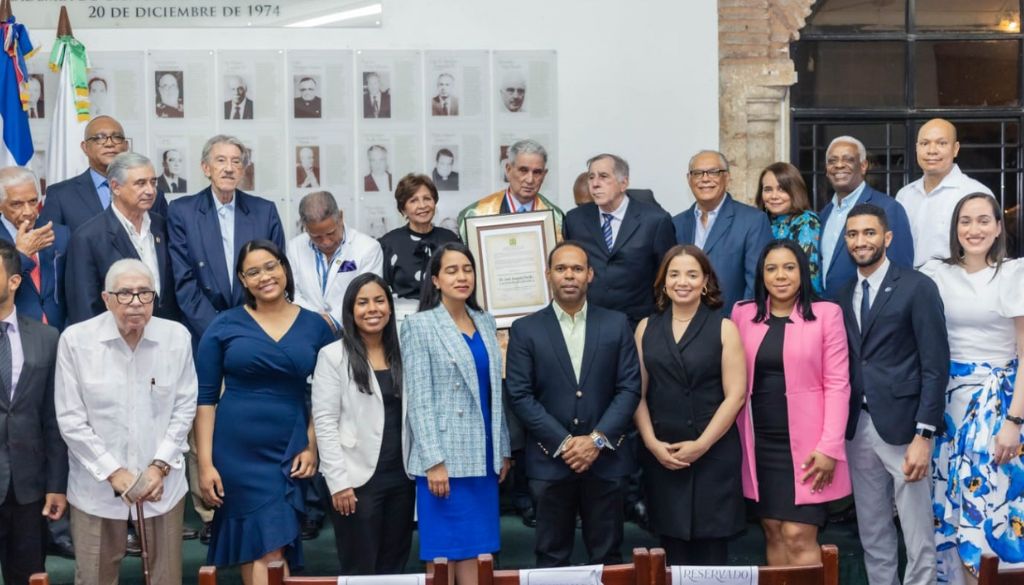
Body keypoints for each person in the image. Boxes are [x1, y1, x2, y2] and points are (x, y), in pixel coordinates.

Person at [195, 240, 334, 582]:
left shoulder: (317, 326)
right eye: (253, 272)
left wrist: (312, 444)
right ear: (243, 280)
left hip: (289, 448)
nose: (264, 277)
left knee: (271, 545)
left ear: (284, 268)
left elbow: (332, 394)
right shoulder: (224, 325)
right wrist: (206, 464)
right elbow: (205, 399)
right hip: (235, 453)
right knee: (257, 545)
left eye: (271, 266)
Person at [55, 259, 197, 585]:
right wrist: (114, 473)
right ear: (106, 299)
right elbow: (71, 419)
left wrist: (158, 466)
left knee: (165, 579)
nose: (136, 303)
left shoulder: (176, 337)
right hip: (96, 489)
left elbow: (184, 407)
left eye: (144, 294)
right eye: (125, 294)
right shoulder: (76, 341)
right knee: (94, 578)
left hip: (162, 486)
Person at [505, 242, 640, 567]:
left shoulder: (616, 323)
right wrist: (564, 443)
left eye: (577, 269)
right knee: (551, 557)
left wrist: (595, 441)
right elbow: (520, 394)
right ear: (548, 274)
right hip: (550, 462)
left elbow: (630, 388)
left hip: (606, 460)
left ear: (590, 275)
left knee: (609, 558)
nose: (569, 275)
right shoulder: (525, 329)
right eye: (562, 268)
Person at [838, 203, 949, 585]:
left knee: (918, 537)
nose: (860, 241)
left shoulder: (917, 286)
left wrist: (924, 434)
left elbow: (935, 366)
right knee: (873, 533)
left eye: (869, 233)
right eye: (852, 234)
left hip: (904, 429)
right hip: (858, 427)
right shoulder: (842, 294)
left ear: (887, 238)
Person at [921, 193, 1024, 581]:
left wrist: (1013, 421)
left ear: (999, 227)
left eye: (984, 220)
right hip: (946, 409)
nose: (974, 229)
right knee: (948, 505)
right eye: (965, 221)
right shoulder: (935, 273)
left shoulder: (1014, 274)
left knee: (991, 505)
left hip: (998, 408)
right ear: (955, 229)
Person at [732, 240, 851, 566]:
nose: (780, 276)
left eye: (789, 267)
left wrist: (829, 447)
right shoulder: (742, 314)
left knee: (799, 535)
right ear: (761, 275)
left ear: (803, 272)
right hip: (759, 446)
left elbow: (839, 385)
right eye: (771, 268)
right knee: (772, 530)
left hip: (809, 447)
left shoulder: (827, 314)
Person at [401, 241, 511, 585]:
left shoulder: (485, 320)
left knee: (479, 556)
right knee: (443, 557)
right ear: (435, 280)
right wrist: (433, 461)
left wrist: (504, 448)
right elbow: (419, 399)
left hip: (484, 459)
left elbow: (495, 392)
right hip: (443, 463)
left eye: (467, 269)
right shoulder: (419, 325)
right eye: (451, 270)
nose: (462, 277)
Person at [633, 245, 746, 565]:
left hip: (714, 453)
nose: (683, 281)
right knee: (671, 554)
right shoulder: (645, 328)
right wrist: (652, 443)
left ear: (706, 282)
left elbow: (735, 395)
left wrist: (701, 445)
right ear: (663, 282)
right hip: (664, 455)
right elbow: (636, 394)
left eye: (692, 274)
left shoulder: (724, 328)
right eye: (675, 274)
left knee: (712, 557)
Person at [312, 273, 414, 575]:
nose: (373, 309)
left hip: (402, 477)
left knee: (395, 564)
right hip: (357, 481)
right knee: (361, 568)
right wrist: (338, 483)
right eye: (363, 302)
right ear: (350, 311)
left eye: (380, 301)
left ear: (391, 307)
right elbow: (325, 422)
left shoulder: (405, 352)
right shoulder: (332, 356)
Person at [0, 238, 65, 585]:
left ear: (14, 281)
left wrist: (56, 484)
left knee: (27, 578)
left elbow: (53, 420)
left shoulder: (47, 338)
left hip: (27, 486)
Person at [64, 152, 179, 325]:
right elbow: (84, 307)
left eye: (153, 182)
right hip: (114, 340)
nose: (150, 190)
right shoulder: (88, 237)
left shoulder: (162, 226)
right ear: (116, 187)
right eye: (140, 183)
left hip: (163, 338)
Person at [563, 154, 674, 327]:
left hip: (640, 325)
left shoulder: (655, 220)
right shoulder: (575, 220)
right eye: (591, 177)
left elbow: (667, 276)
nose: (595, 183)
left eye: (604, 176)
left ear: (624, 183)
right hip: (589, 324)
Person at [672, 150, 772, 316]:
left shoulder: (753, 221)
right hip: (684, 326)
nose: (705, 179)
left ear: (727, 178)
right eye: (697, 173)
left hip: (731, 327)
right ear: (689, 180)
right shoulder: (676, 224)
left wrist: (739, 326)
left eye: (713, 172)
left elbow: (756, 283)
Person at [819, 136, 913, 299]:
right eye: (832, 161)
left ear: (863, 166)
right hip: (828, 314)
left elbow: (901, 272)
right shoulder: (824, 214)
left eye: (848, 159)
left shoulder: (888, 208)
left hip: (869, 313)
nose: (839, 165)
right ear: (827, 170)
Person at [40, 116, 169, 233]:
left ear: (126, 146)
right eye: (99, 138)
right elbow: (49, 249)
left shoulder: (152, 195)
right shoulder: (60, 195)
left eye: (117, 137)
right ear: (85, 147)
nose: (109, 143)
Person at [897, 119, 994, 268]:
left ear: (955, 149)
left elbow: (989, 252)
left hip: (957, 285)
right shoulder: (905, 195)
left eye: (941, 143)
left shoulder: (975, 194)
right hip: (909, 286)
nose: (932, 150)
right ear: (916, 148)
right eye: (924, 143)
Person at [288, 191, 383, 333]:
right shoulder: (294, 247)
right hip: (308, 329)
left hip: (353, 331)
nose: (326, 242)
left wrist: (333, 320)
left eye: (331, 233)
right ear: (305, 227)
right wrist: (317, 321)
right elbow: (292, 292)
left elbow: (365, 293)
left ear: (340, 217)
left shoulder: (368, 248)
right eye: (317, 237)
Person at [0, 167, 69, 329]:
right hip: (13, 333)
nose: (28, 212)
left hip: (59, 332)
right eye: (17, 204)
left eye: (33, 201)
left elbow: (74, 289)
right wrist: (22, 254)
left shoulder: (59, 233)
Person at [457, 139, 564, 241]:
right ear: (508, 170)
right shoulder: (475, 214)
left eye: (537, 172)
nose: (530, 180)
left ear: (544, 175)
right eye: (523, 170)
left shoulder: (557, 218)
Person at [378, 174, 460, 301]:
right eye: (413, 200)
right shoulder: (389, 243)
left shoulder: (449, 239)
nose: (422, 205)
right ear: (403, 210)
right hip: (404, 316)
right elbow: (380, 289)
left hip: (446, 314)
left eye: (427, 198)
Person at [756, 162, 823, 294]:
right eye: (768, 189)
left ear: (795, 191)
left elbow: (809, 275)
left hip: (800, 305)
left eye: (782, 189)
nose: (774, 196)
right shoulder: (760, 221)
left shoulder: (807, 222)